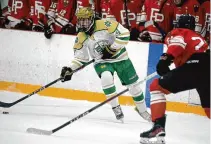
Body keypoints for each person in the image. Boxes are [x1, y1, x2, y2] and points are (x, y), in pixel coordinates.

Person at [60, 7, 151, 122]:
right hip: (101, 62)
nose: (83, 24)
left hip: (121, 58)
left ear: (92, 18)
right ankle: (116, 108)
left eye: (85, 20)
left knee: (134, 87)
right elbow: (80, 58)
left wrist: (112, 49)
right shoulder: (81, 37)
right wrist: (71, 69)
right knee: (106, 77)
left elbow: (125, 34)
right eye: (80, 20)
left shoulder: (106, 24)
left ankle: (142, 111)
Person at [139, 14, 210, 144]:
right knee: (209, 108)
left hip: (196, 66)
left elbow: (178, 43)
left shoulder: (178, 32)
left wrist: (166, 58)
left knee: (155, 86)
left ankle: (157, 127)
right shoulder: (199, 38)